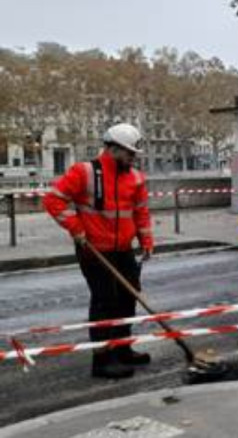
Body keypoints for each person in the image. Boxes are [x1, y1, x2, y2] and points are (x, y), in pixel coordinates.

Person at [42, 123, 154, 379]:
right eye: (129, 153)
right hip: (93, 249)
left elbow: (141, 212)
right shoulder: (84, 172)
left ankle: (123, 349)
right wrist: (75, 227)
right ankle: (102, 360)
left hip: (123, 249)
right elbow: (53, 200)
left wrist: (146, 241)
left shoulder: (135, 177)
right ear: (113, 148)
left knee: (128, 297)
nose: (132, 158)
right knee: (105, 302)